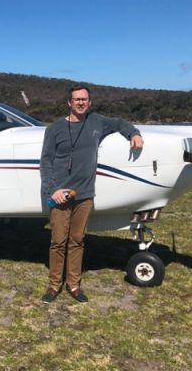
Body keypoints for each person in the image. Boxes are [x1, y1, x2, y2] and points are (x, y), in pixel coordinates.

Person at [39, 84, 144, 303]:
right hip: (60, 194)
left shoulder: (96, 122)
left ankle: (74, 285)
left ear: (90, 102)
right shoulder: (54, 129)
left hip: (85, 194)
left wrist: (134, 133)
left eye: (84, 99)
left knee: (77, 240)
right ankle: (54, 285)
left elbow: (118, 123)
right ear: (69, 103)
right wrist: (53, 190)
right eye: (76, 99)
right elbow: (46, 162)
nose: (80, 102)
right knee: (58, 241)